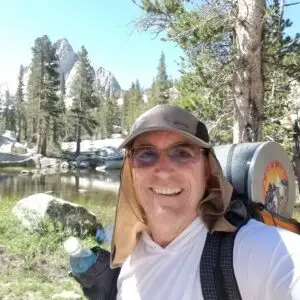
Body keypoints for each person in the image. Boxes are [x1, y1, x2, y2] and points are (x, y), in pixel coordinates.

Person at [73, 104, 300, 300]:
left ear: (207, 170)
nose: (163, 170)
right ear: (130, 170)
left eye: (182, 153)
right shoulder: (129, 257)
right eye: (145, 154)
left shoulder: (254, 251)